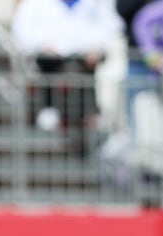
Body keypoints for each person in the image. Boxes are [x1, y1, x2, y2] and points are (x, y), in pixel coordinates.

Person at [11, 0, 121, 145]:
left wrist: (97, 47)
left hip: (84, 63)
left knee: (83, 90)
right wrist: (42, 45)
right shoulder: (36, 4)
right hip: (50, 63)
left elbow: (110, 25)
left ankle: (87, 120)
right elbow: (23, 28)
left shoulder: (95, 3)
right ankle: (51, 111)